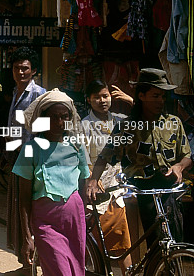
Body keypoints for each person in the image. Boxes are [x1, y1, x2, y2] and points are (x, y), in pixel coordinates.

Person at [86, 69, 193, 251]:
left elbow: (187, 156)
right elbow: (105, 156)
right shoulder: (127, 127)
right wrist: (93, 181)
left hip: (169, 192)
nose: (161, 101)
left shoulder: (173, 123)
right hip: (141, 194)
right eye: (155, 96)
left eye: (163, 96)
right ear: (142, 96)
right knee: (152, 246)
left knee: (175, 243)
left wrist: (179, 166)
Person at [13, 89, 90, 275]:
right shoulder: (31, 149)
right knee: (59, 270)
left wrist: (83, 212)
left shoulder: (77, 145)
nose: (59, 123)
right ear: (43, 119)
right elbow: (23, 198)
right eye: (54, 117)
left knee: (76, 270)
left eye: (64, 117)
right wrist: (27, 237)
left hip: (73, 220)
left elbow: (84, 182)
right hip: (45, 222)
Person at [80, 80, 132, 274]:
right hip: (95, 190)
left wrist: (131, 101)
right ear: (89, 100)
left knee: (122, 243)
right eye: (97, 97)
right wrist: (92, 178)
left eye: (105, 96)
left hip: (117, 190)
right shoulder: (84, 125)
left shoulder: (120, 120)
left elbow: (145, 123)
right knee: (93, 243)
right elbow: (83, 157)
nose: (102, 100)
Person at [5, 46, 46, 271]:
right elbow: (14, 129)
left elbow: (42, 130)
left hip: (32, 158)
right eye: (17, 68)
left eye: (25, 69)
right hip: (17, 157)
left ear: (33, 71)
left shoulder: (39, 94)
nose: (21, 72)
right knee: (18, 207)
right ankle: (25, 262)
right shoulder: (16, 92)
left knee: (30, 208)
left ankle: (35, 261)